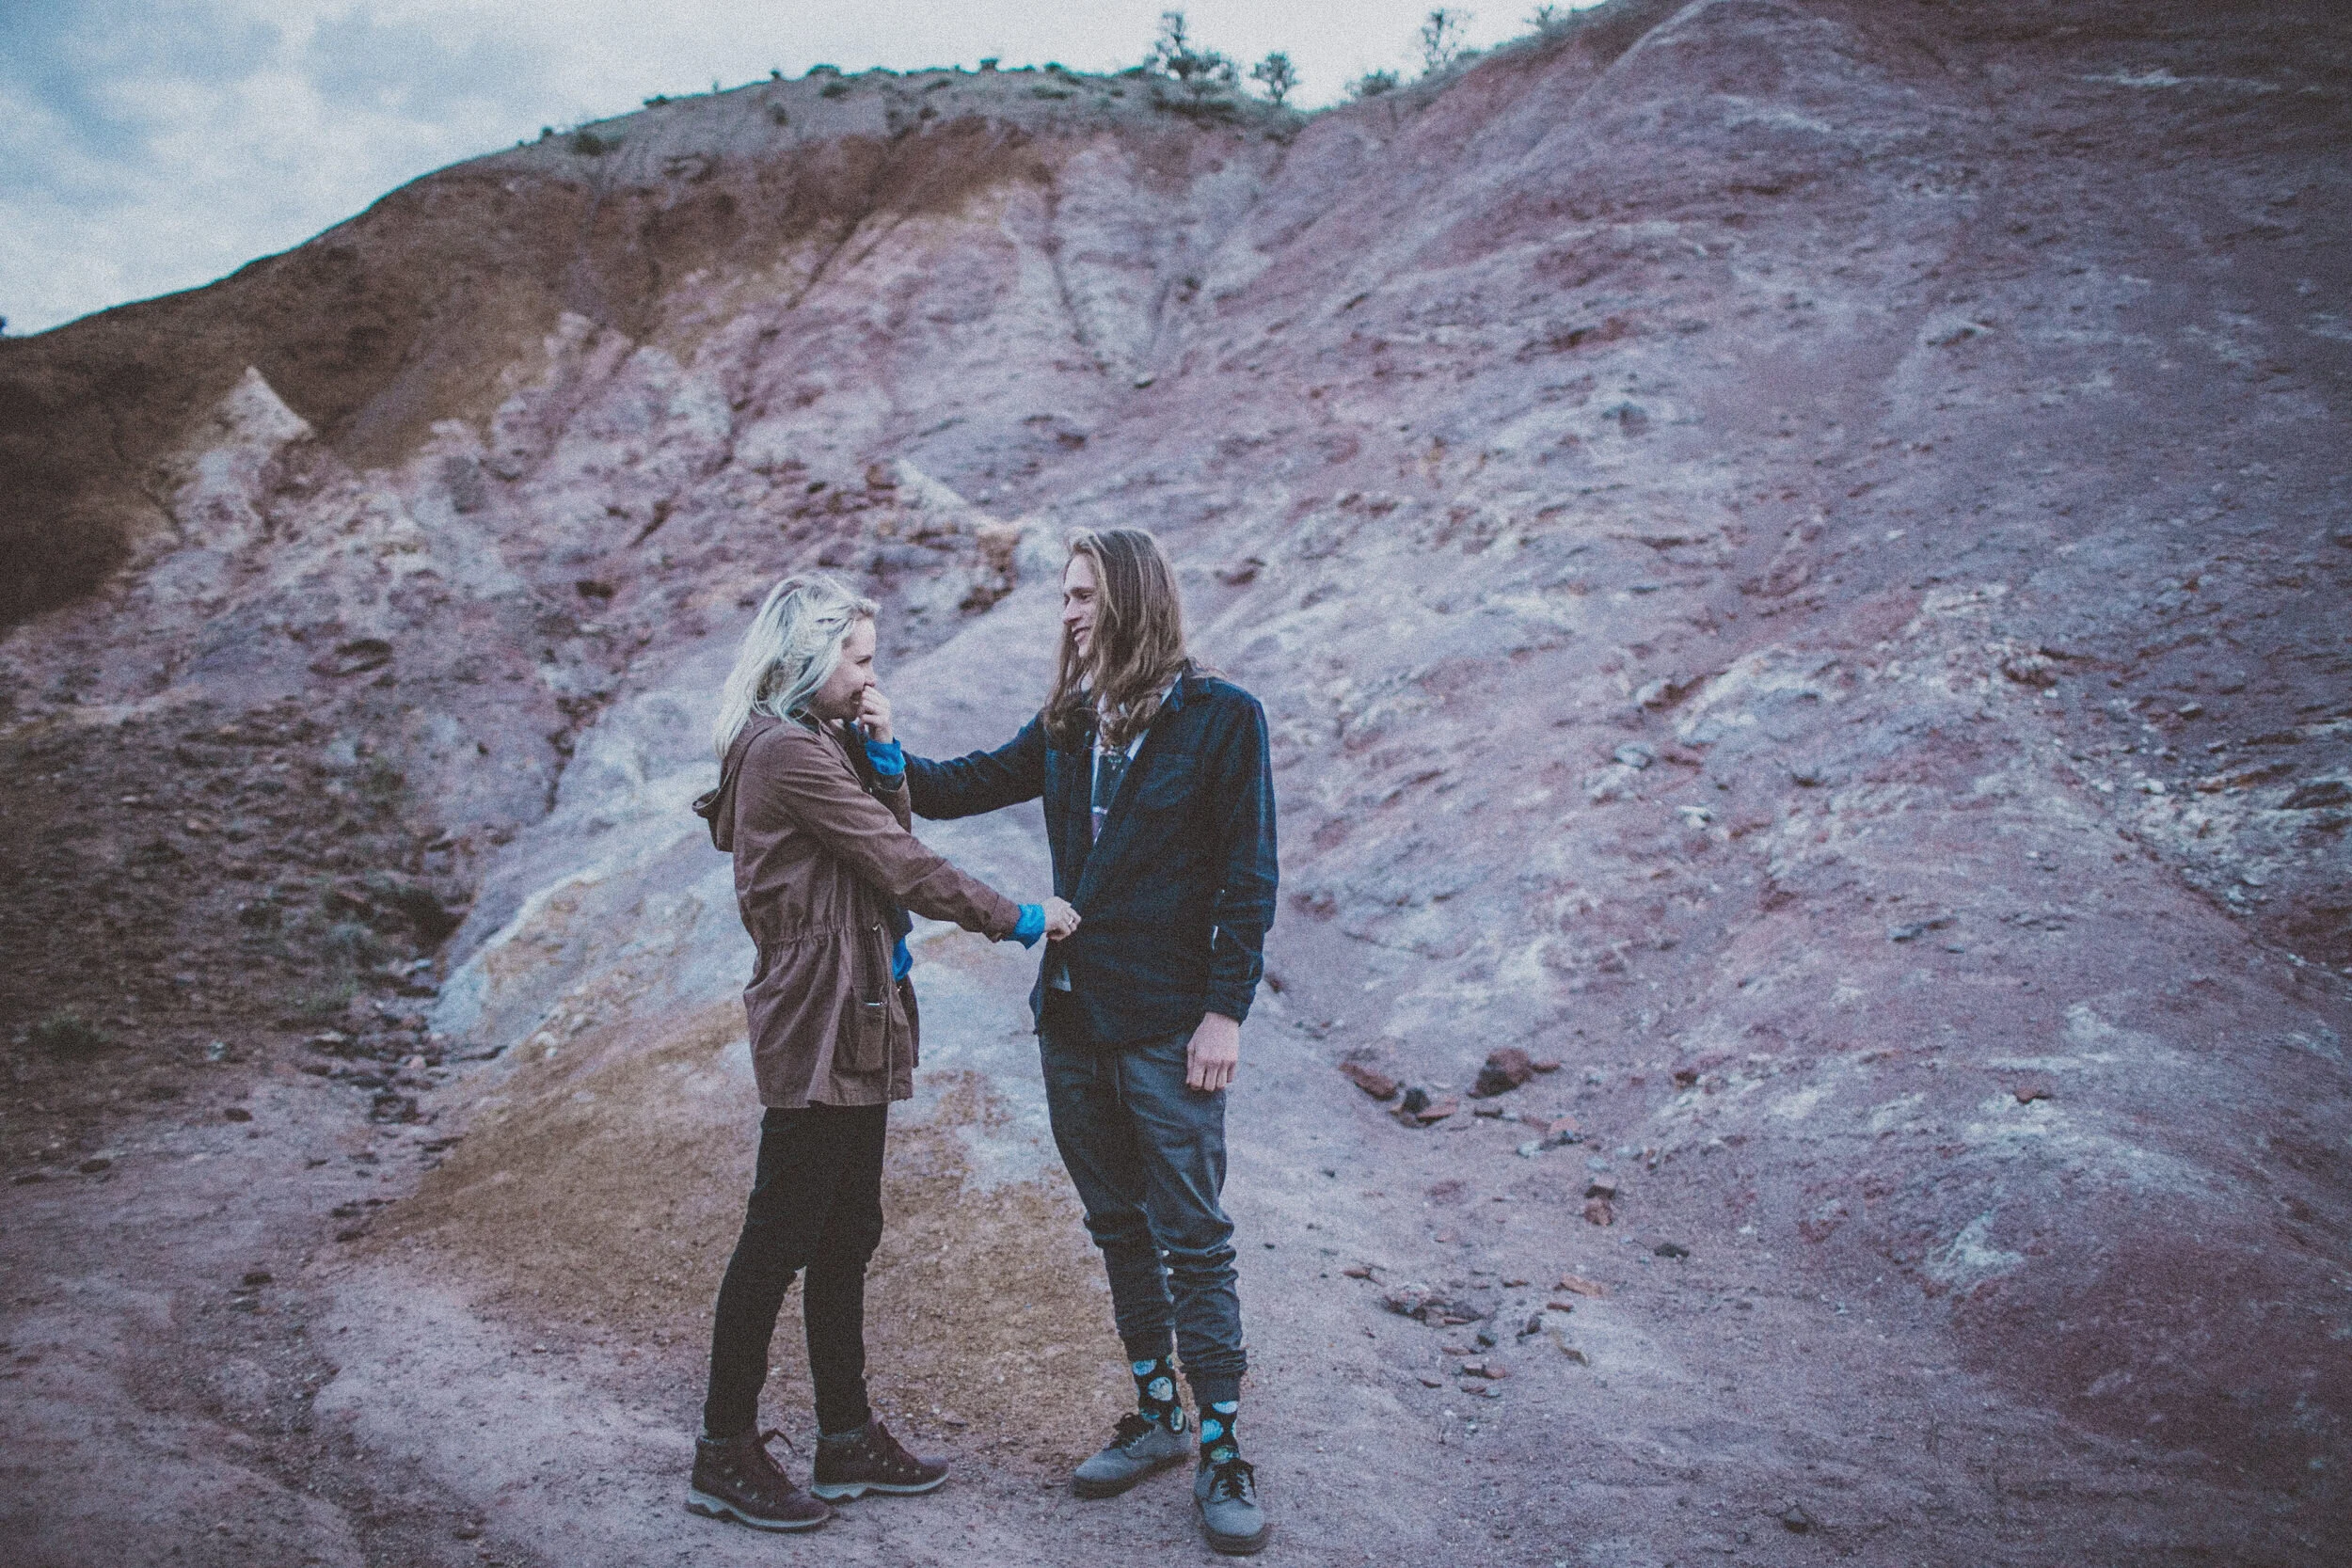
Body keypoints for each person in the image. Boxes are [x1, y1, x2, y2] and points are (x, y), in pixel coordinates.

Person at [903, 528, 1278, 1556]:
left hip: (1169, 1025)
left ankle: (1222, 1447)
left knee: (1194, 1235)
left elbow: (1249, 878)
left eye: (1080, 594)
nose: (1066, 611)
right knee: (1118, 1224)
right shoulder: (1069, 722)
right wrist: (866, 740)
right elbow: (955, 783)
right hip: (1070, 1019)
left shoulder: (1223, 720)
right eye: (1062, 595)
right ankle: (1157, 1412)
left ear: (1130, 599)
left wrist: (1225, 1010)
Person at [686, 573, 1078, 1532]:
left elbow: (884, 830)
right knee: (781, 1227)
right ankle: (722, 1449)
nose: (871, 673)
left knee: (846, 1223)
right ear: (809, 658)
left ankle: (845, 1434)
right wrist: (1021, 916)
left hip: (854, 996)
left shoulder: (818, 739)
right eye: (858, 657)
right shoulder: (783, 751)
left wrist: (886, 749)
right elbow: (899, 861)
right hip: (819, 1006)